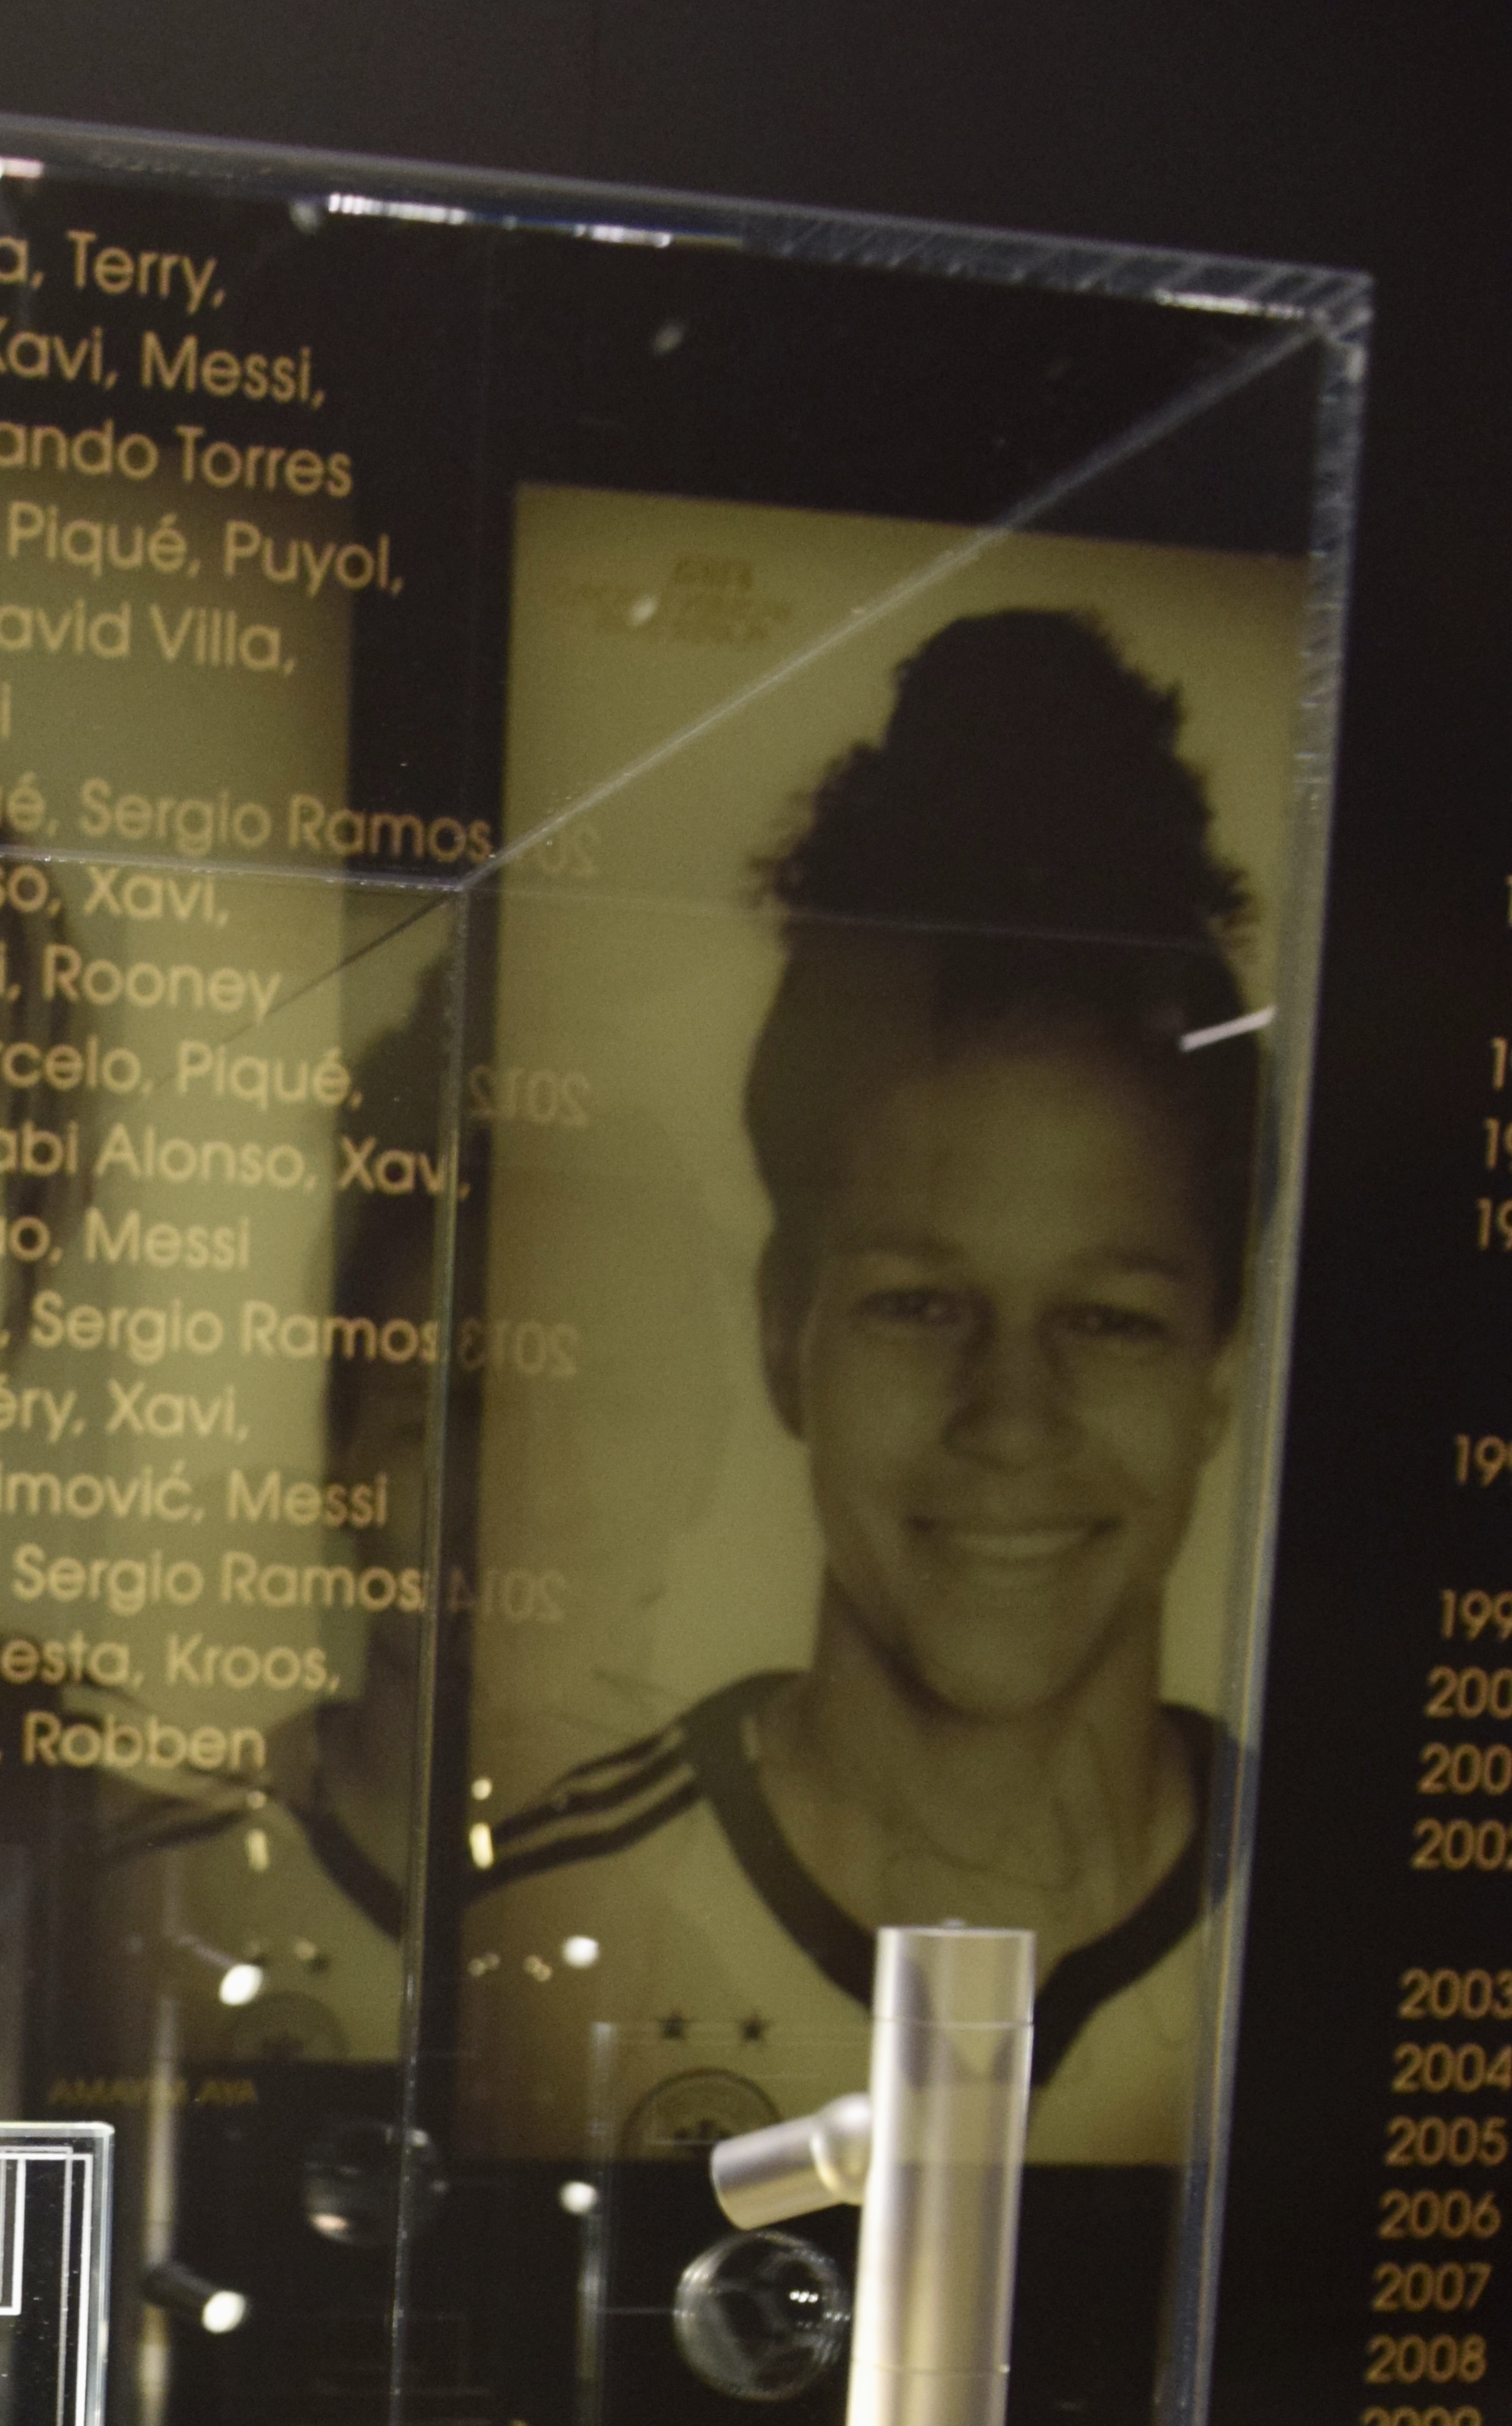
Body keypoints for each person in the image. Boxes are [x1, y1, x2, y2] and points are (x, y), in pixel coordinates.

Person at [458, 608, 1262, 2163]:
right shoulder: (541, 1914)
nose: (1008, 1420)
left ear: (1218, 1365)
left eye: (1105, 1321)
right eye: (916, 1305)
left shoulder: (1366, 1930)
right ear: (782, 1333)